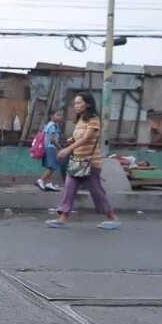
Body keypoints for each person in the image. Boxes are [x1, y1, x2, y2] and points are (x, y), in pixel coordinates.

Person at [46, 93, 121, 230]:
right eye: (75, 103)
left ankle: (112, 217)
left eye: (79, 103)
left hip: (91, 163)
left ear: (88, 104)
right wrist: (71, 140)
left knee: (96, 191)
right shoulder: (80, 120)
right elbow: (79, 138)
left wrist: (67, 149)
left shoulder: (94, 119)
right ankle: (63, 218)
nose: (76, 106)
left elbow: (87, 138)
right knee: (69, 188)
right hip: (77, 161)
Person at [35, 110, 64, 192]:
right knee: (52, 167)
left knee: (50, 166)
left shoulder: (49, 125)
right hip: (51, 148)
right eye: (57, 115)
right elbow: (53, 140)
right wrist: (61, 149)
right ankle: (41, 180)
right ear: (52, 116)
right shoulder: (53, 126)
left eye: (60, 115)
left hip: (47, 147)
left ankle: (48, 183)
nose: (60, 117)